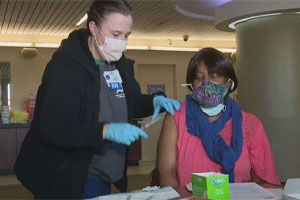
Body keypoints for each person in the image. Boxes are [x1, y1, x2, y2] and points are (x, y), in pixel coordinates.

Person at [14, 0, 180, 199]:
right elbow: (53, 128)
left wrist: (155, 101)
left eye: (126, 35)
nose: (122, 42)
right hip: (68, 176)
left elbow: (130, 103)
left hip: (104, 176)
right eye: (115, 34)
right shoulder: (65, 68)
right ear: (93, 28)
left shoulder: (120, 65)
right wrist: (105, 130)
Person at [156, 47, 280, 187]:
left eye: (214, 76)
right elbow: (166, 174)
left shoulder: (250, 124)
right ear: (191, 84)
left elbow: (264, 182)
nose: (206, 83)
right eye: (198, 77)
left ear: (228, 82)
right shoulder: (176, 116)